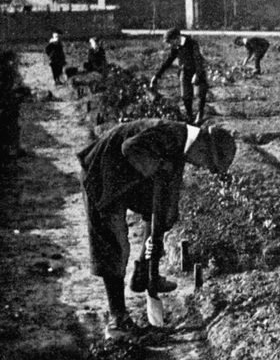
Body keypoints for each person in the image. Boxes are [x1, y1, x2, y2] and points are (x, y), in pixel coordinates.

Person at [78, 119, 236, 339]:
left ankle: (143, 273)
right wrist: (159, 166)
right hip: (102, 174)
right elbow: (129, 148)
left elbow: (167, 202)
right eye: (206, 162)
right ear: (202, 147)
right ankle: (117, 321)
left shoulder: (184, 147)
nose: (202, 167)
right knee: (114, 244)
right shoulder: (170, 134)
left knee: (166, 213)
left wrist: (159, 236)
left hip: (125, 177)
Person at [150, 27, 209, 125]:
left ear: (176, 38)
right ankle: (190, 116)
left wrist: (197, 75)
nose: (169, 45)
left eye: (170, 42)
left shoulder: (192, 43)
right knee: (185, 96)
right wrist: (157, 75)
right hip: (185, 70)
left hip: (197, 70)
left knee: (200, 94)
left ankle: (200, 114)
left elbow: (198, 60)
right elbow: (169, 61)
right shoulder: (176, 46)